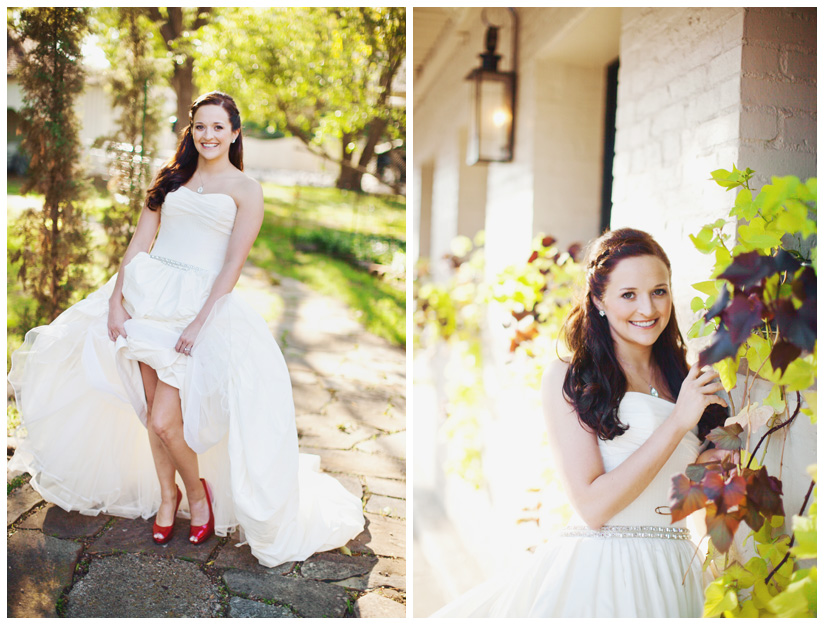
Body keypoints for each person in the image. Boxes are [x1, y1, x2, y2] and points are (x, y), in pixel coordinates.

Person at [8, 91, 364, 567]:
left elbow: (233, 264)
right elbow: (141, 239)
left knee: (163, 420)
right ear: (190, 131)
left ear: (235, 133)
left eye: (218, 127)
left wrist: (200, 322)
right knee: (151, 414)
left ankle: (198, 495)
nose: (208, 135)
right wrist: (116, 302)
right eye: (200, 126)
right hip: (148, 299)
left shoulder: (246, 190)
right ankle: (166, 498)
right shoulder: (172, 178)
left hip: (200, 309)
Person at [432, 228, 728, 617]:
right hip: (603, 570)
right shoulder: (570, 376)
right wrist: (677, 423)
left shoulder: (683, 381)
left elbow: (673, 495)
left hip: (674, 567)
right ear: (598, 300)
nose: (648, 309)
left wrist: (718, 458)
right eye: (628, 295)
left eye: (659, 291)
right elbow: (593, 507)